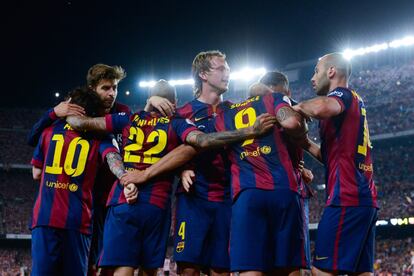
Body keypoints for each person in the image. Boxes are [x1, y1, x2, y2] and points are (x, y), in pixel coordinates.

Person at [66, 79, 276, 276]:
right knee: (150, 270)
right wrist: (250, 131)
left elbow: (79, 122)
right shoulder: (177, 124)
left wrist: (62, 110)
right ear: (174, 103)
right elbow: (202, 141)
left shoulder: (127, 119)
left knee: (119, 268)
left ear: (151, 99)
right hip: (156, 204)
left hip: (123, 199)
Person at [27, 63, 130, 276]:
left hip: (81, 210)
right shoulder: (100, 136)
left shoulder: (51, 130)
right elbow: (113, 157)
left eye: (115, 88)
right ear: (92, 90)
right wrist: (126, 178)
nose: (112, 93)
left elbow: (36, 172)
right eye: (106, 88)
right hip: (83, 213)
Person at [148, 50, 232, 276]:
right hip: (193, 200)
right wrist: (181, 168)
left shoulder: (236, 112)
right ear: (203, 74)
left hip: (227, 200)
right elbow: (157, 152)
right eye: (222, 68)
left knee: (221, 270)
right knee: (188, 270)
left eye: (228, 68)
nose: (228, 73)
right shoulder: (182, 113)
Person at [293, 53, 378, 275]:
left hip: (346, 198)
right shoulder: (356, 101)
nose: (312, 78)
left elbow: (321, 108)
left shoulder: (342, 95)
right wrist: (305, 143)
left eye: (316, 71)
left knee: (321, 270)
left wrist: (297, 107)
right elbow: (332, 157)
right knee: (362, 272)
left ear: (331, 71)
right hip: (365, 199)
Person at [257, 71, 316, 271]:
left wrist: (302, 169)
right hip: (262, 191)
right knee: (263, 259)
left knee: (293, 260)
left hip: (292, 192)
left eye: (278, 97)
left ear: (287, 93)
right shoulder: (253, 112)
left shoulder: (295, 112)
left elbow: (303, 144)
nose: (274, 102)